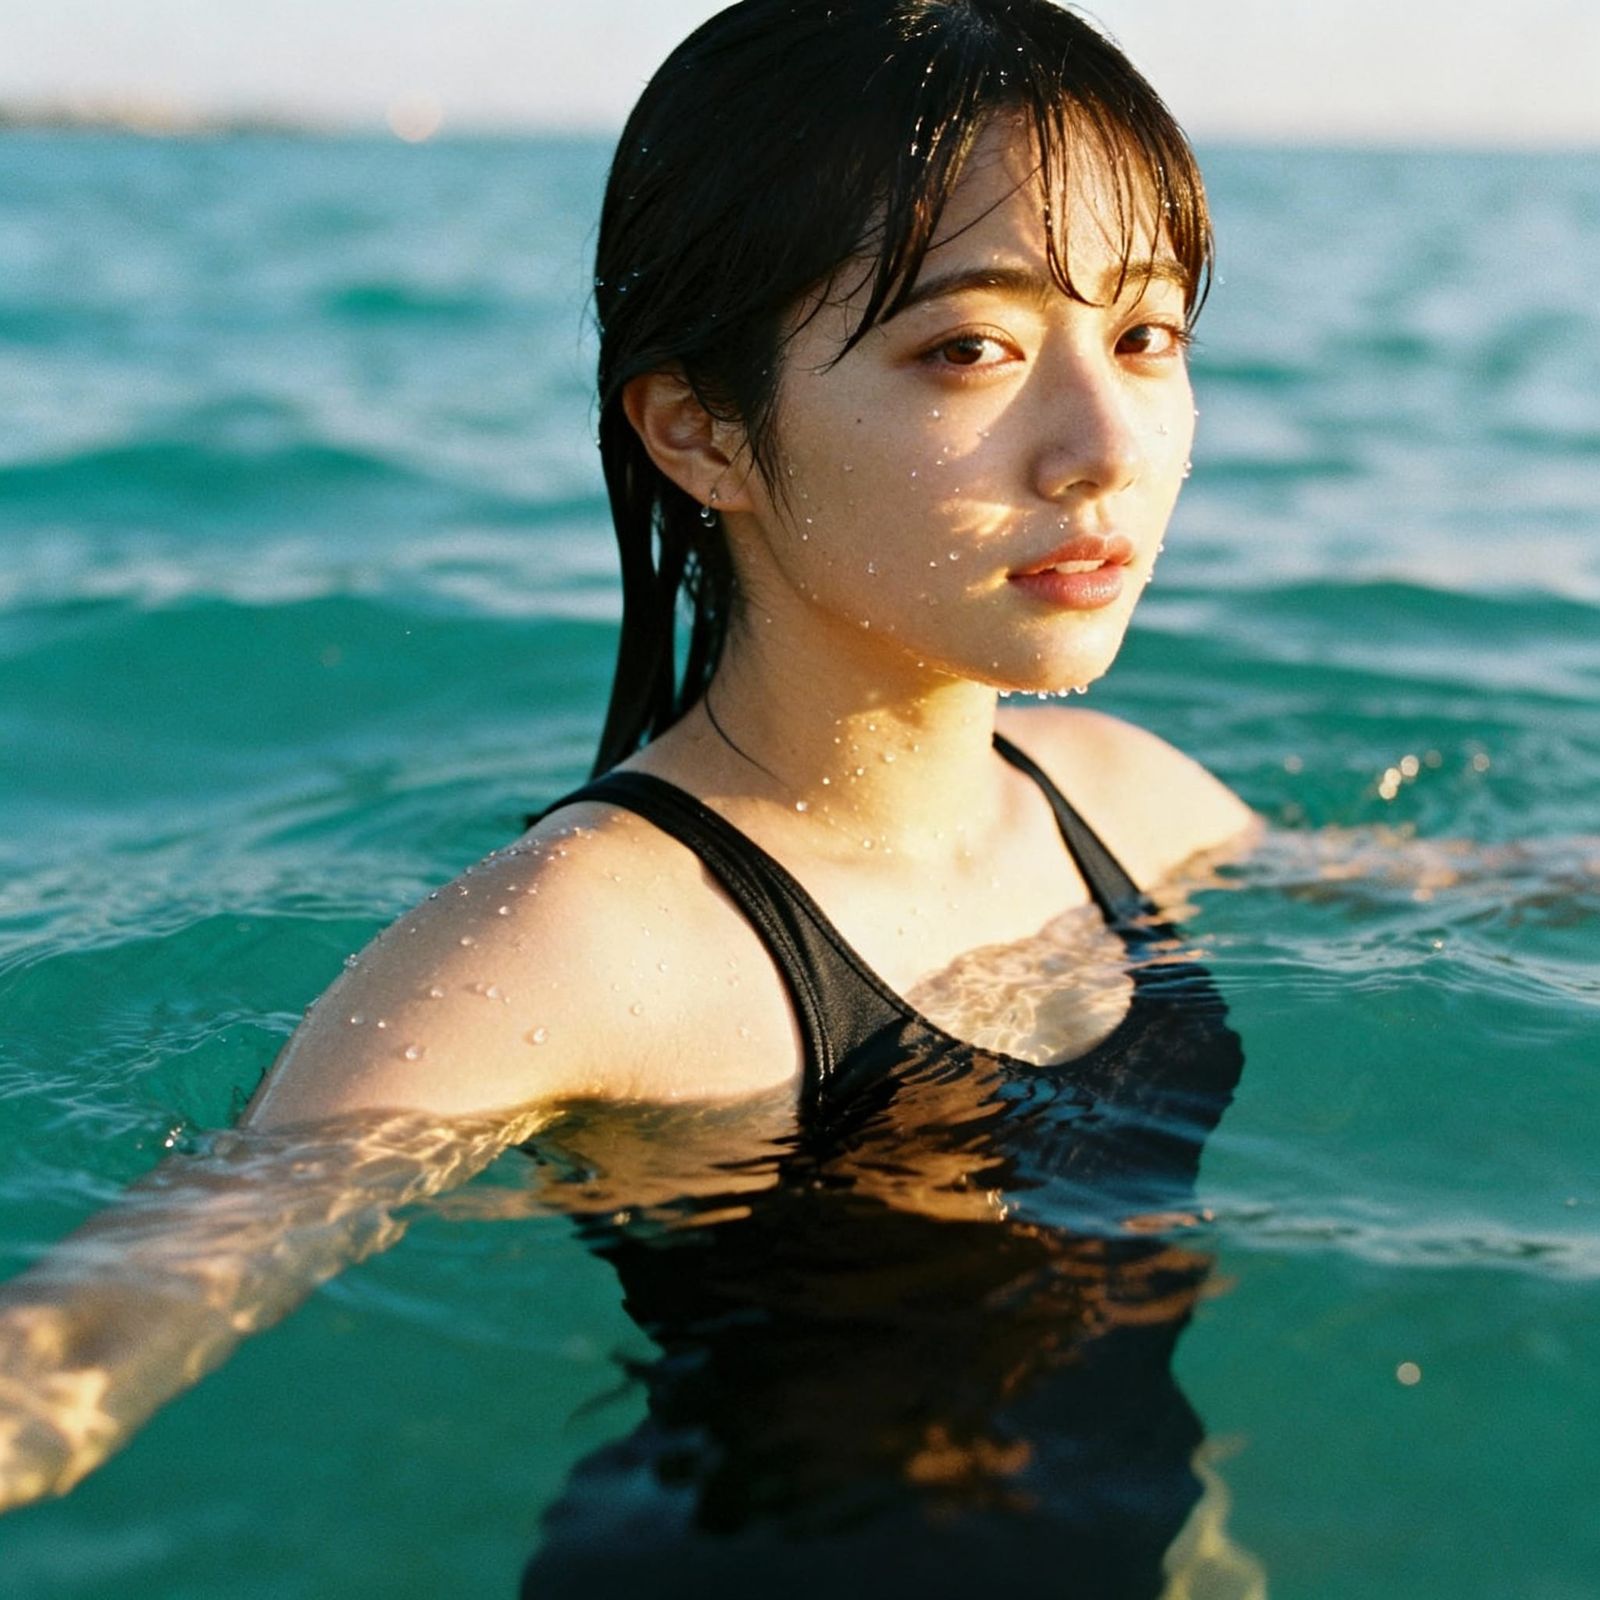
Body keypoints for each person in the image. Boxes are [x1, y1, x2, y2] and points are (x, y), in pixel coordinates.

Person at [0, 0, 1262, 1583]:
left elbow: (1468, 886)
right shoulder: (595, 943)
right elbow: (111, 1324)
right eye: (969, 349)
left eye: (1145, 336)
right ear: (703, 431)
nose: (1103, 443)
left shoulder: (1125, 798)